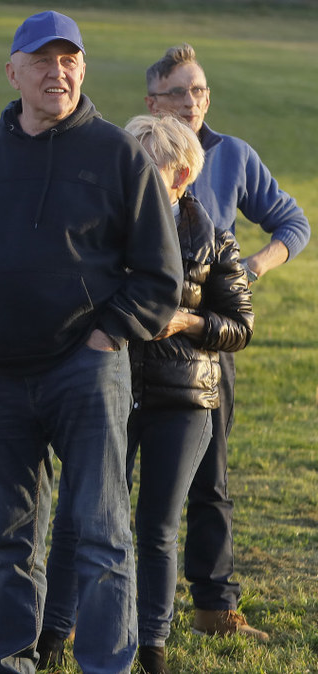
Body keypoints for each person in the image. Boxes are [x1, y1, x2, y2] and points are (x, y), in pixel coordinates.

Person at [0, 11, 182, 674]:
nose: (58, 71)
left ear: (83, 68)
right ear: (13, 71)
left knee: (101, 530)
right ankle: (15, 655)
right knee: (12, 532)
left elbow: (161, 272)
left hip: (86, 367)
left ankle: (105, 664)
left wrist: (108, 334)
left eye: (69, 59)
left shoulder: (117, 154)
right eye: (42, 60)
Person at [39, 114, 254, 674]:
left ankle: (152, 646)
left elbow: (240, 326)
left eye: (141, 165)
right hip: (108, 389)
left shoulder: (213, 240)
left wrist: (186, 323)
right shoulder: (102, 230)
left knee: (157, 528)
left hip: (183, 401)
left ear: (181, 174)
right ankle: (52, 631)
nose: (125, 177)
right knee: (78, 514)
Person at [144, 42, 309, 641]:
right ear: (151, 101)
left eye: (201, 91)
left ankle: (215, 607)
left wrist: (252, 270)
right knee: (113, 480)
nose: (193, 103)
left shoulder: (232, 155)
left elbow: (294, 222)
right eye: (180, 92)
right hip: (132, 351)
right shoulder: (131, 152)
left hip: (207, 351)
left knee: (210, 482)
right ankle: (99, 604)